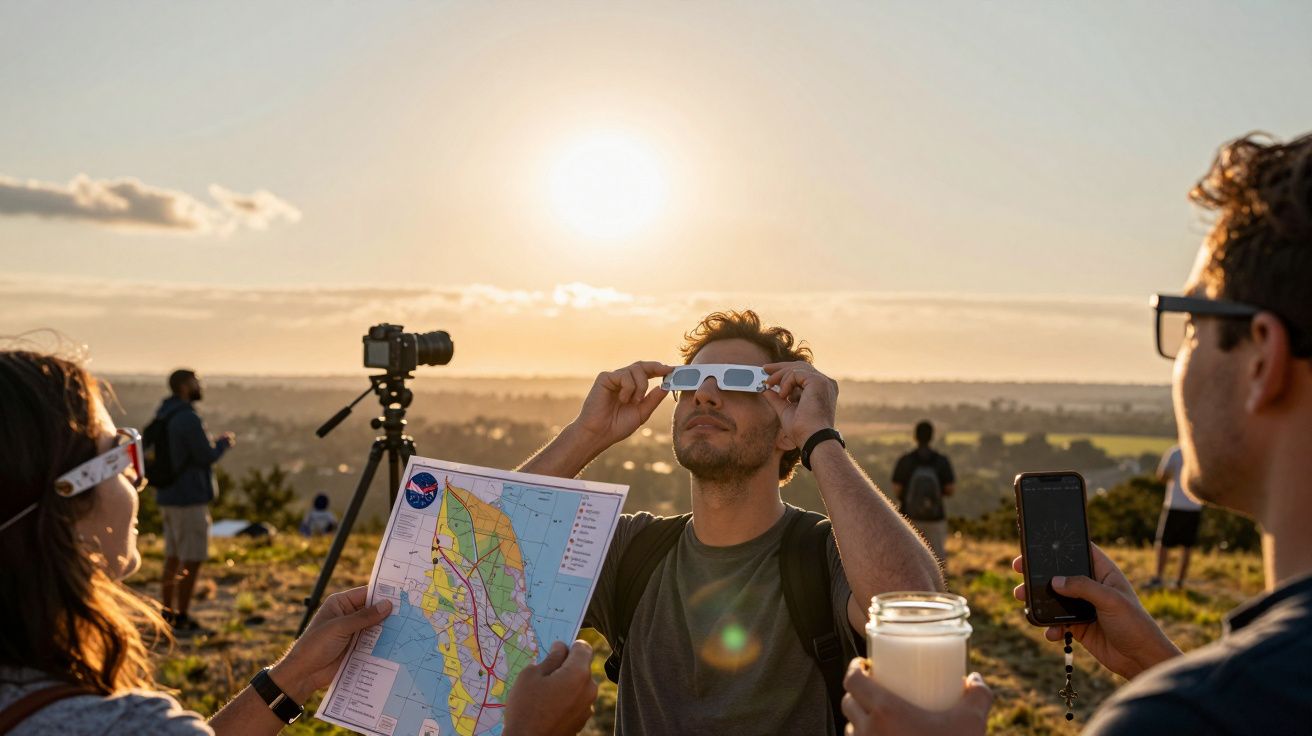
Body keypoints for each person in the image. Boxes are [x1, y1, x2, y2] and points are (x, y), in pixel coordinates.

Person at [841, 131, 1312, 734]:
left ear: (1262, 359)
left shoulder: (1176, 719)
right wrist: (1154, 662)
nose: (1180, 359)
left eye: (1192, 323)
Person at [0, 350, 595, 736]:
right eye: (121, 454)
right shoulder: (116, 725)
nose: (139, 478)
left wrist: (291, 678)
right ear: (64, 498)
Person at [517, 310, 943, 734]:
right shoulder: (632, 552)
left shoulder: (829, 556)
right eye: (689, 381)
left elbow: (918, 611)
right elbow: (486, 553)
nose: (705, 395)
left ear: (786, 430)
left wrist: (819, 437)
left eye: (737, 382)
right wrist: (587, 433)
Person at [154, 369, 234, 633]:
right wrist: (223, 444)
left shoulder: (165, 412)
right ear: (185, 387)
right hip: (188, 498)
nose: (200, 386)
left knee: (173, 556)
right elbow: (205, 456)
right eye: (196, 382)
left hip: (168, 495)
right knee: (192, 558)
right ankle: (182, 617)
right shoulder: (187, 417)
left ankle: (167, 612)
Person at [890, 420, 956, 565]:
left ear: (915, 437)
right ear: (932, 437)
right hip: (935, 517)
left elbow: (897, 488)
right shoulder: (941, 461)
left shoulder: (906, 460)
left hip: (909, 517)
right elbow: (950, 489)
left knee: (909, 560)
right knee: (937, 560)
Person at [1147, 444, 1202, 589]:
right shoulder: (1200, 451)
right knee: (1187, 546)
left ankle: (1158, 578)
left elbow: (1162, 476)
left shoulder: (1175, 452)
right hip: (1194, 505)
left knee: (1163, 543)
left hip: (1174, 504)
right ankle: (1180, 581)